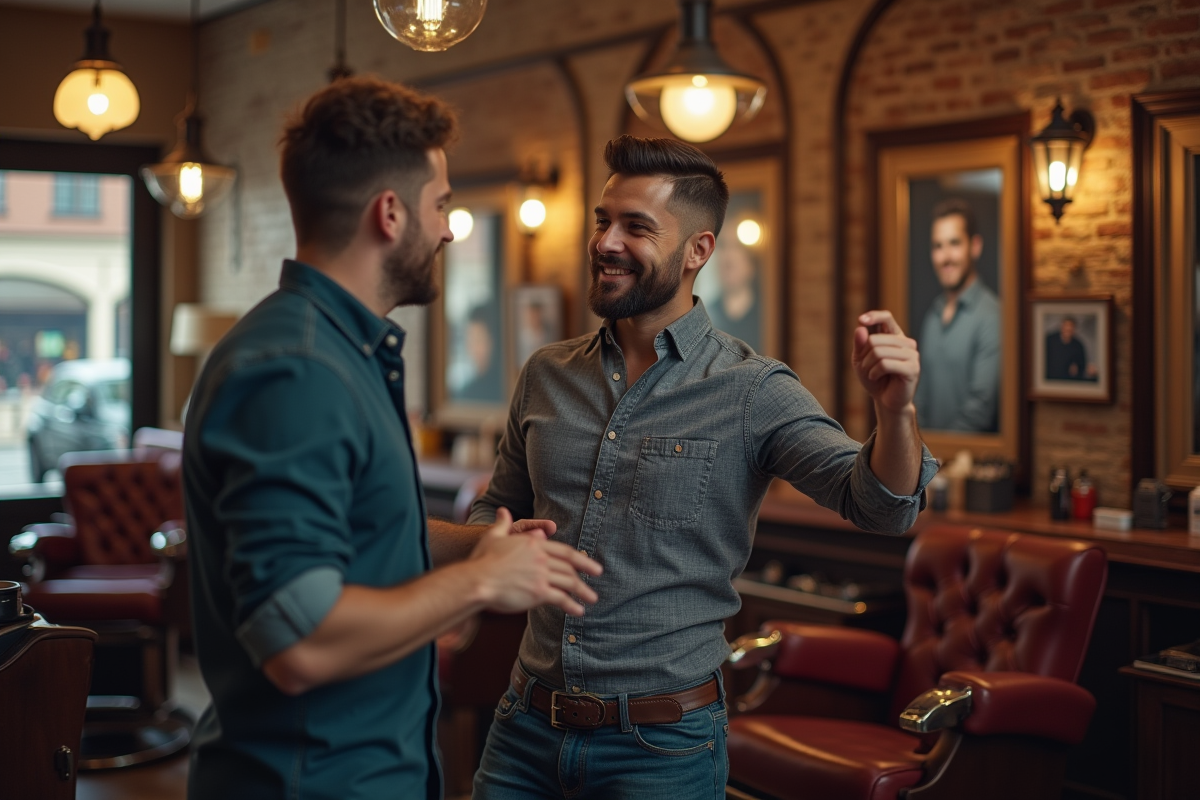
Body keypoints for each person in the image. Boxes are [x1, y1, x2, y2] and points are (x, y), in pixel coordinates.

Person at [468, 135, 937, 799]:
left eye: (636, 227)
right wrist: (496, 545)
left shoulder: (753, 390)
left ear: (698, 251)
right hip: (523, 729)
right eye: (603, 221)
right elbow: (497, 507)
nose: (606, 242)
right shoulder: (546, 374)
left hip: (662, 750)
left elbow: (883, 506)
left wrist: (895, 413)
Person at [181, 77, 601, 800]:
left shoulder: (341, 352)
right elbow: (299, 642)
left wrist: (475, 546)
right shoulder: (297, 371)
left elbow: (355, 531)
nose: (445, 228)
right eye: (440, 205)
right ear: (389, 212)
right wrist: (479, 583)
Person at [911, 197, 1001, 432]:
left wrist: (934, 459)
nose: (945, 257)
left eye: (954, 243)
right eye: (937, 246)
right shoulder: (933, 313)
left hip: (969, 463)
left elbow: (979, 410)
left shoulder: (992, 315)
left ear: (975, 246)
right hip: (928, 463)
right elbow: (920, 397)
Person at [705, 233, 759, 348]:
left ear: (751, 265)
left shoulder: (767, 314)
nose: (728, 256)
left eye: (736, 246)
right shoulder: (706, 316)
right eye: (723, 246)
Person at [455, 304, 504, 402]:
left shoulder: (502, 384)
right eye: (470, 340)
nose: (473, 348)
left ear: (492, 341)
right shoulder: (466, 393)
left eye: (479, 340)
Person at [1044, 316, 1095, 381]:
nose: (1068, 329)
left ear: (1074, 329)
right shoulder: (1050, 340)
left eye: (1070, 327)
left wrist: (1078, 368)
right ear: (1061, 326)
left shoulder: (1078, 345)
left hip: (1068, 381)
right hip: (1050, 380)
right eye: (1066, 326)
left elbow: (1082, 364)